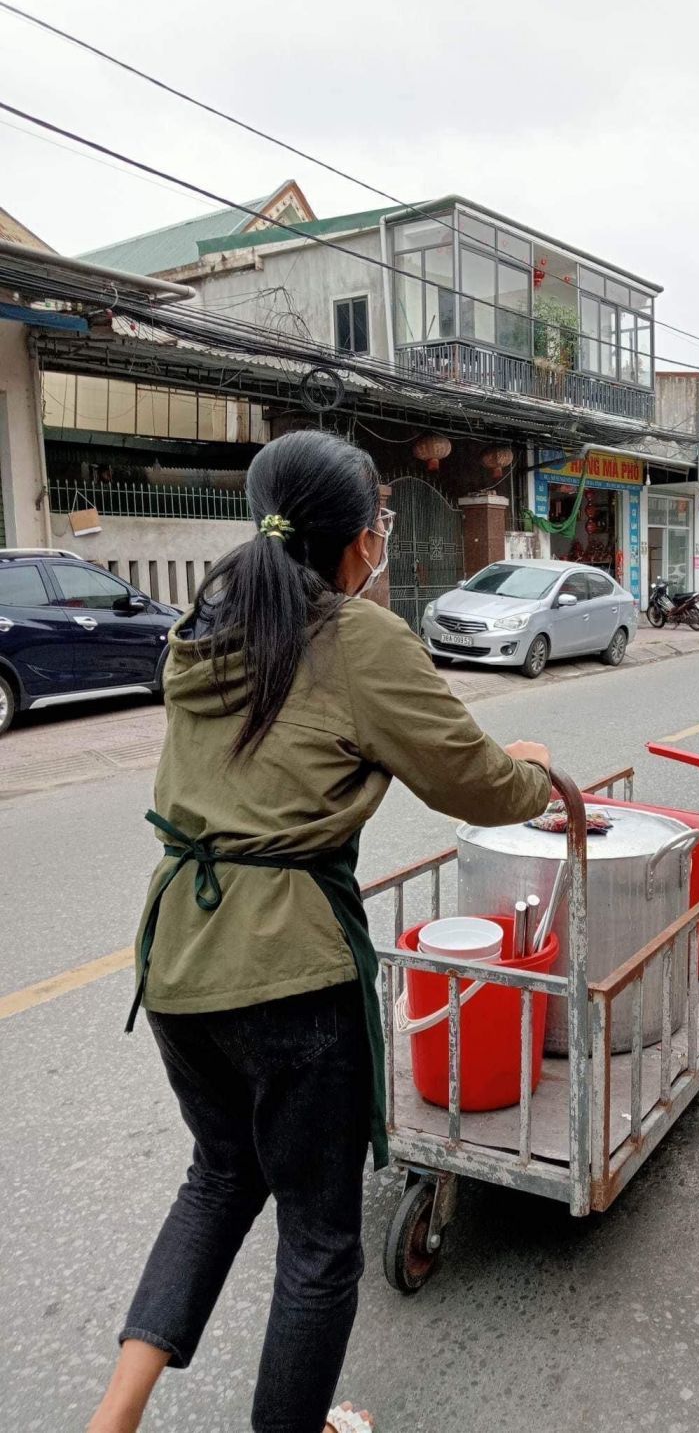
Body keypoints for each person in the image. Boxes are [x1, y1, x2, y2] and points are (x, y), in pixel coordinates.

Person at [87, 431, 552, 1433]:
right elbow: (472, 779)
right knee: (318, 1243)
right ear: (356, 540)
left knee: (219, 1178)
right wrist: (535, 776)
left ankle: (110, 1421)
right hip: (288, 971)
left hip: (177, 961)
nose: (383, 538)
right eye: (381, 519)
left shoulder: (203, 631)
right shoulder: (356, 638)